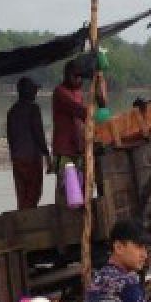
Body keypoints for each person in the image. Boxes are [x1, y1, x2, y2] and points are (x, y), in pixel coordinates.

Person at [6, 76, 52, 209]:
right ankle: (28, 222)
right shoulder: (33, 109)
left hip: (17, 159)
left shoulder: (12, 111)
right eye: (34, 90)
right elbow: (39, 134)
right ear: (29, 92)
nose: (36, 93)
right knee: (34, 193)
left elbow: (11, 139)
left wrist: (14, 157)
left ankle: (23, 221)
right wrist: (47, 155)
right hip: (31, 158)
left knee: (22, 195)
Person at [52, 60, 88, 206]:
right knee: (66, 188)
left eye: (80, 77)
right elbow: (79, 110)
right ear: (67, 75)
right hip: (65, 149)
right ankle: (63, 220)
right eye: (75, 76)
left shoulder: (78, 93)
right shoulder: (60, 92)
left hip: (78, 148)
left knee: (81, 187)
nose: (78, 79)